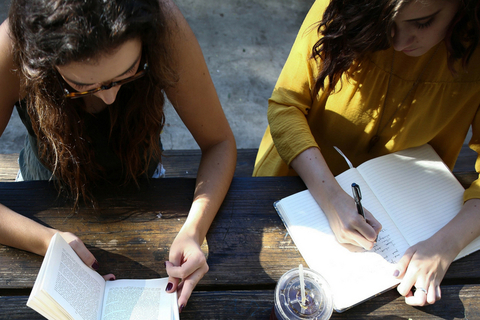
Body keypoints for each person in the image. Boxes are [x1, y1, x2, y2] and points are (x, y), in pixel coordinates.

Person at [0, 0, 237, 312]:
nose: (109, 97)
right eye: (81, 85)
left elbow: (219, 142)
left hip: (144, 185)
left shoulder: (164, 25)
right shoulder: (13, 45)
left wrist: (193, 231)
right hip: (41, 190)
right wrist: (47, 241)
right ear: (41, 59)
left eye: (128, 73)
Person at [254, 0, 480, 307]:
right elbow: (286, 106)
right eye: (389, 23)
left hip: (415, 216)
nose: (399, 42)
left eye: (423, 22)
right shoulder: (342, 9)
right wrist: (331, 197)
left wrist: (445, 245)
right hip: (295, 182)